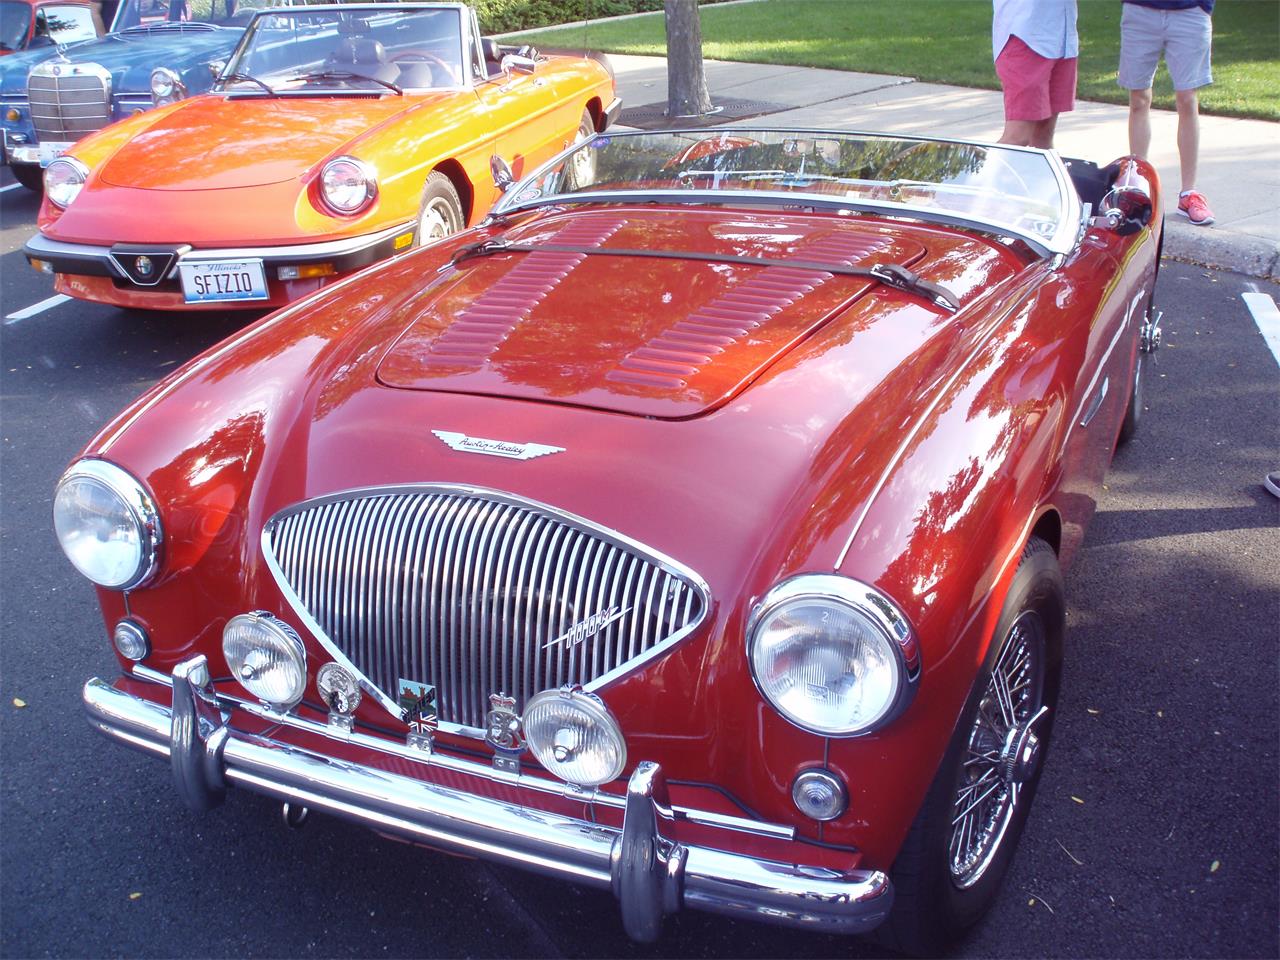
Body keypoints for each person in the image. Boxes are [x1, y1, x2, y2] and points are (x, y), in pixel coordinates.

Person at [1118, 0, 1216, 225]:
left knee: (1187, 99)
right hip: (1140, 11)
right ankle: (1137, 188)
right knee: (1139, 100)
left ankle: (1188, 194)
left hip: (1190, 12)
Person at [991, 0, 1079, 149]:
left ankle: (1038, 173)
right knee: (1017, 138)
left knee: (1043, 137)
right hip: (1025, 36)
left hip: (1061, 37)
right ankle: (979, 172)